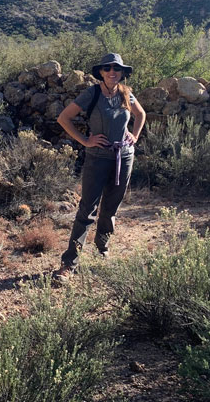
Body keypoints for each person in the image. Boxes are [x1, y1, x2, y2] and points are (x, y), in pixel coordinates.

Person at [54, 53, 146, 282]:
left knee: (111, 207)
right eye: (108, 68)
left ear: (123, 72)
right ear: (101, 72)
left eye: (117, 68)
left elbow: (140, 114)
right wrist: (85, 141)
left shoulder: (126, 93)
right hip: (97, 157)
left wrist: (134, 136)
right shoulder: (92, 93)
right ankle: (69, 263)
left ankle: (102, 246)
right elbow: (64, 118)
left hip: (123, 157)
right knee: (87, 210)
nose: (113, 72)